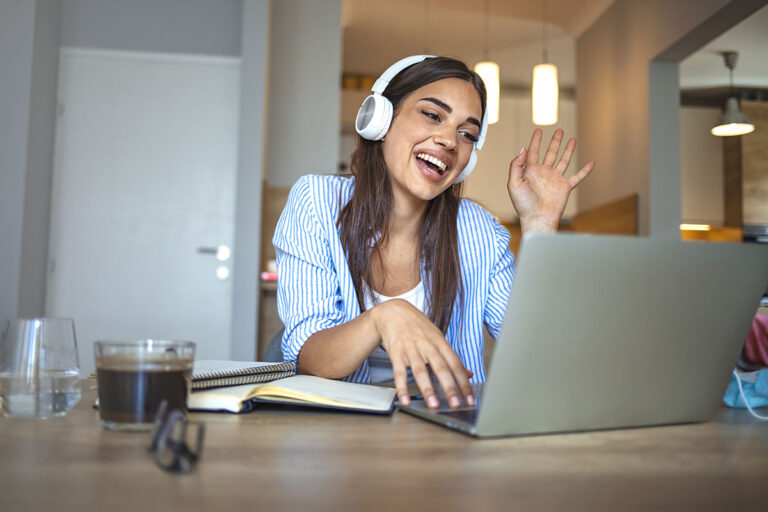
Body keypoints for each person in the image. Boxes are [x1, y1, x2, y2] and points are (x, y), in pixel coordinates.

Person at [273, 55, 594, 410]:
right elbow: (309, 356)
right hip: (338, 428)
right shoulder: (317, 202)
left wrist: (538, 228)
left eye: (466, 133)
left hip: (443, 427)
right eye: (432, 115)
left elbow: (535, 351)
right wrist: (386, 317)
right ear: (380, 119)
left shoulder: (480, 232)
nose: (449, 141)